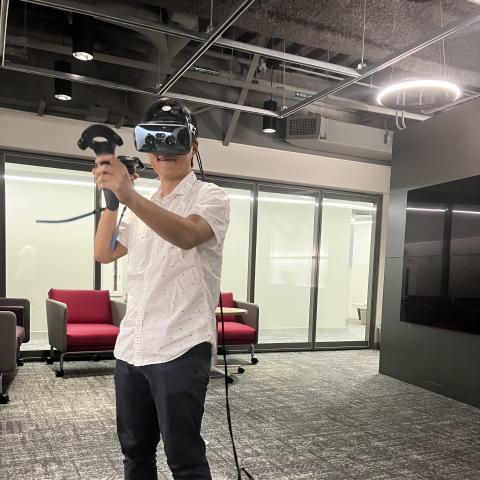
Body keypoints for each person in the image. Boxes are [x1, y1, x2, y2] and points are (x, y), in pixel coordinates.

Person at [93, 98, 230, 480]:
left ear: (194, 148)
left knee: (183, 456)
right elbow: (103, 253)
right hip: (133, 344)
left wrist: (130, 197)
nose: (165, 149)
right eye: (155, 139)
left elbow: (187, 235)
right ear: (147, 150)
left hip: (181, 344)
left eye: (176, 139)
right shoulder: (143, 205)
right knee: (135, 453)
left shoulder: (211, 196)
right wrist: (111, 201)